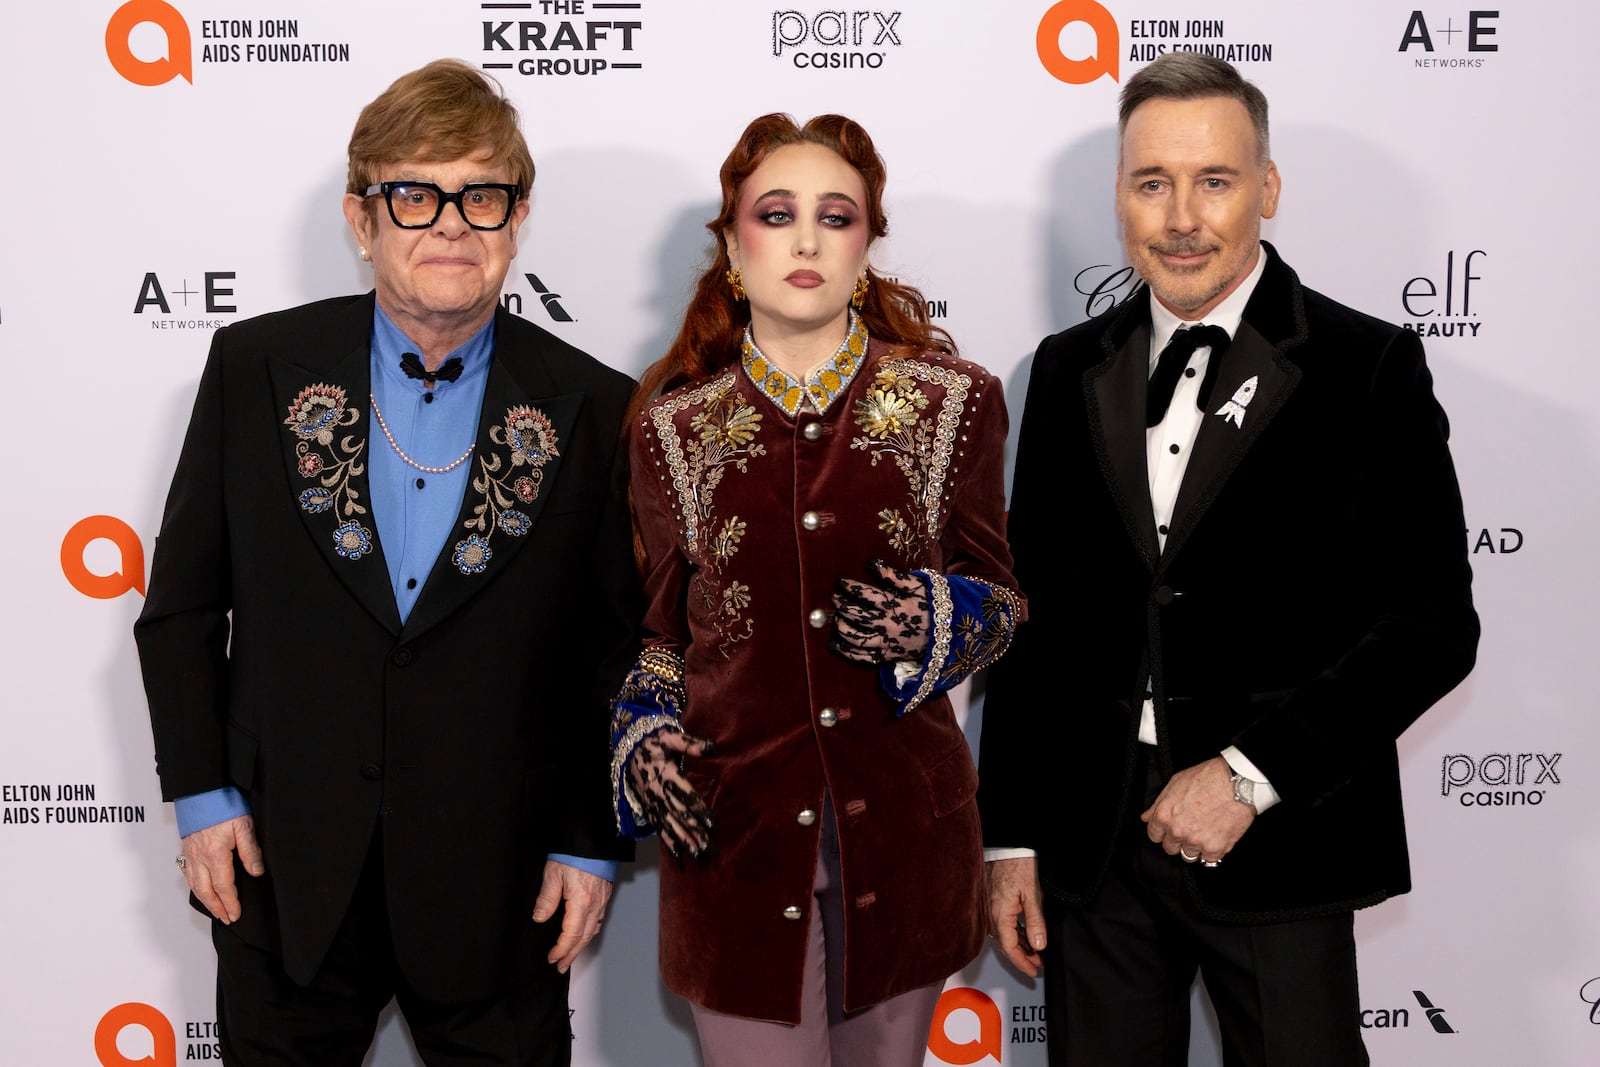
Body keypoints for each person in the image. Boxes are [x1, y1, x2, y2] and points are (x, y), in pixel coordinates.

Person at [979, 52, 1479, 1066]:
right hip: (1094, 844)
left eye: (1214, 180)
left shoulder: (1364, 363)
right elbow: (1031, 618)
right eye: (1150, 182)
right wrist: (1013, 834)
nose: (1180, 217)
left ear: (1268, 187)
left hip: (1281, 837)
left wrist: (1248, 776)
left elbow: (1431, 625)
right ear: (1119, 193)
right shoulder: (1067, 365)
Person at [134, 59, 637, 1065]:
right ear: (362, 220)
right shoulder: (252, 369)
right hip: (284, 873)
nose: (450, 221)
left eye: (479, 194)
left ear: (516, 218)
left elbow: (613, 650)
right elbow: (183, 608)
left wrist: (590, 838)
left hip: (502, 892)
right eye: (415, 194)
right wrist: (200, 796)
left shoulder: (596, 404)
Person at [607, 113, 1023, 1065]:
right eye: (776, 212)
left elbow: (999, 601)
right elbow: (664, 638)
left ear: (867, 241)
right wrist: (645, 735)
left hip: (908, 843)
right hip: (734, 844)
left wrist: (937, 619)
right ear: (732, 243)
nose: (805, 239)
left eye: (835, 216)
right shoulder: (671, 429)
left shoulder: (954, 403)